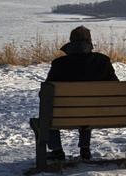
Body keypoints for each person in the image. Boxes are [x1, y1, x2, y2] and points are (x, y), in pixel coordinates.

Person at [44, 25, 118, 161]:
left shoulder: (59, 63)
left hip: (64, 114)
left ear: (71, 41)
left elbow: (46, 94)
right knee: (88, 107)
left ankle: (57, 150)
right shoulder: (102, 61)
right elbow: (116, 87)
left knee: (48, 112)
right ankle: (85, 148)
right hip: (96, 113)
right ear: (89, 41)